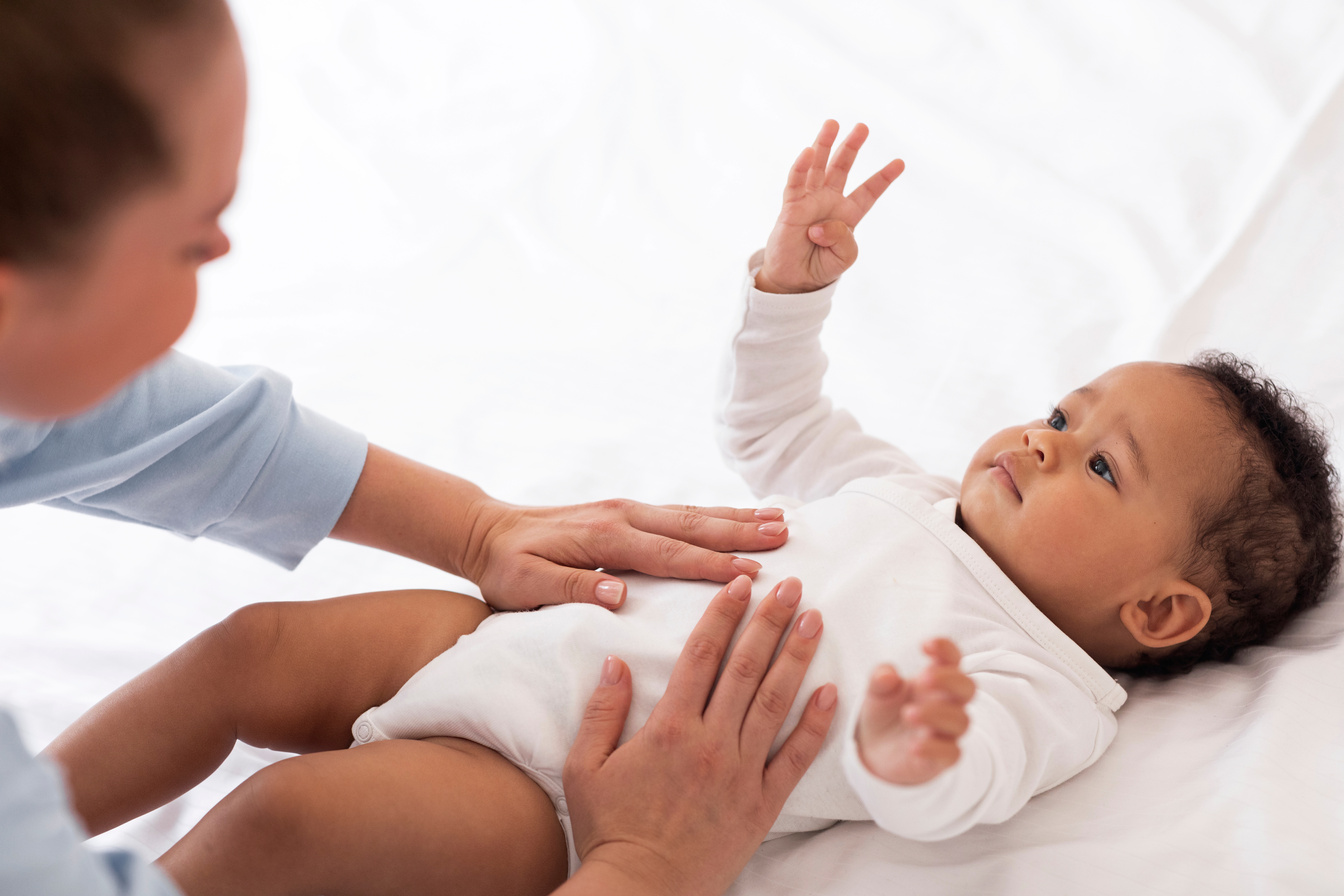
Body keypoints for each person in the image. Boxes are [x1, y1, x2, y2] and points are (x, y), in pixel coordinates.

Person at [44, 119, 1343, 894]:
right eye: (1066, 417)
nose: (1046, 447)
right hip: (489, 632)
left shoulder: (1038, 686)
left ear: (1159, 607)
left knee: (285, 823)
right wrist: (791, 293)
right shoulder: (912, 496)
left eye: (1103, 469)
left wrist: (908, 748)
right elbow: (772, 429)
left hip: (553, 783)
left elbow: (955, 790)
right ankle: (37, 820)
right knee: (246, 650)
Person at [0, 1, 838, 893]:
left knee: (274, 754)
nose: (224, 244)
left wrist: (476, 529)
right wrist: (648, 865)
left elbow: (146, 428)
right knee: (276, 812)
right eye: (191, 240)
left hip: (525, 667)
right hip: (556, 743)